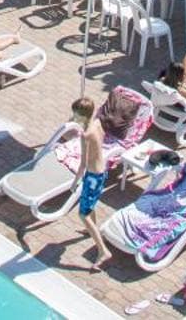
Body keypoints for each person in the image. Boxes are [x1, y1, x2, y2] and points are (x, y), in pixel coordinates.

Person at [72, 96, 111, 267]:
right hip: (102, 172)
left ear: (82, 115)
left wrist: (75, 182)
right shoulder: (97, 123)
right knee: (91, 205)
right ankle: (91, 229)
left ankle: (103, 251)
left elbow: (83, 163)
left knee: (83, 214)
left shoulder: (85, 135)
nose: (74, 117)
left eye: (76, 114)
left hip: (92, 176)